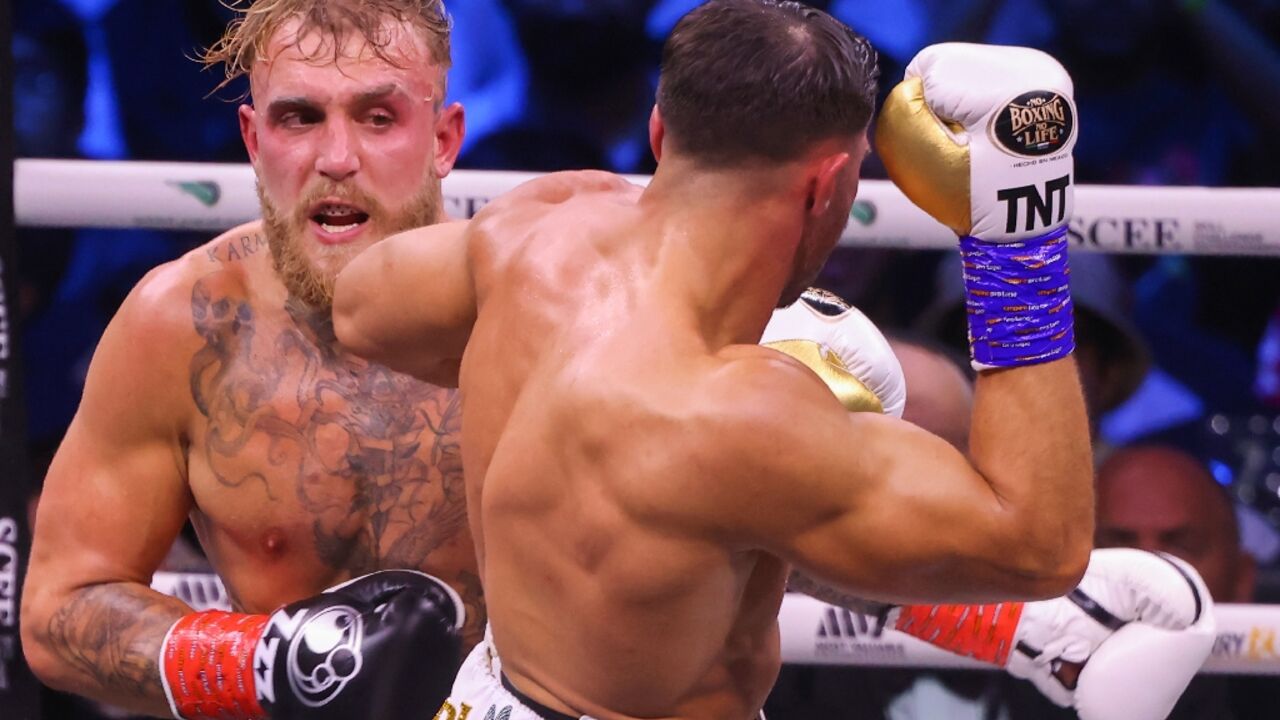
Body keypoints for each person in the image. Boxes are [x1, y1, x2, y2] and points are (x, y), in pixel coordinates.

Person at [332, 4, 1210, 718]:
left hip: (496, 691)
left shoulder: (537, 227)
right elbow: (1041, 546)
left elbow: (361, 306)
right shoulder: (739, 417)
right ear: (828, 185)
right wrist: (1016, 240)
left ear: (660, 131)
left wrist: (548, 368)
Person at [21, 2, 476, 718]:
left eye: (378, 117)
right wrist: (267, 662)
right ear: (254, 139)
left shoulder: (527, 320)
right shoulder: (185, 327)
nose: (336, 158)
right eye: (300, 117)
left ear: (444, 139)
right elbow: (58, 611)